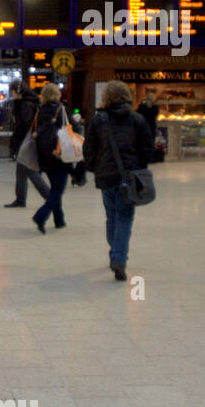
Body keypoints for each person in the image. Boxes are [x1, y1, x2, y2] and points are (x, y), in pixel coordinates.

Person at [82, 81, 153, 282]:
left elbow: (89, 148)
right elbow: (147, 147)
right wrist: (139, 166)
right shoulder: (137, 120)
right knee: (124, 217)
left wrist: (94, 167)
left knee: (111, 216)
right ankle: (119, 259)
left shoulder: (98, 121)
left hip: (106, 176)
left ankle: (115, 252)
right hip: (129, 178)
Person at [4, 79, 49, 209]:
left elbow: (25, 124)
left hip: (26, 141)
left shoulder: (25, 104)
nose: (11, 95)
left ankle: (49, 197)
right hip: (27, 140)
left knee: (30, 171)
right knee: (21, 171)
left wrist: (17, 137)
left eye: (11, 92)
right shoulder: (30, 102)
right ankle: (20, 199)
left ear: (16, 91)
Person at [31, 82, 70, 234]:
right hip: (59, 154)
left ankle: (59, 219)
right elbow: (71, 127)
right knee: (58, 190)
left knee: (55, 187)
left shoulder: (39, 111)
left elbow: (35, 130)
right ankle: (41, 216)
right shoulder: (62, 110)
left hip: (44, 155)